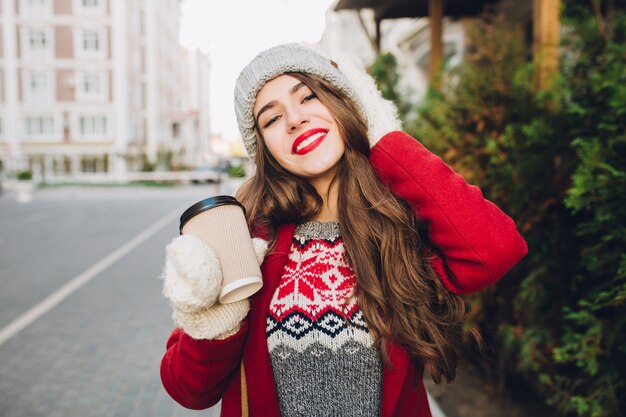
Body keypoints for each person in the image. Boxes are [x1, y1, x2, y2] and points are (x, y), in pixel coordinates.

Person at [160, 43, 528, 417]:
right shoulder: (247, 237)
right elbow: (190, 391)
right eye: (271, 119)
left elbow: (495, 249)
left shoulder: (398, 224)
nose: (294, 120)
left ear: (345, 103)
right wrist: (211, 321)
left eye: (309, 96)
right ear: (264, 149)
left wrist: (384, 136)